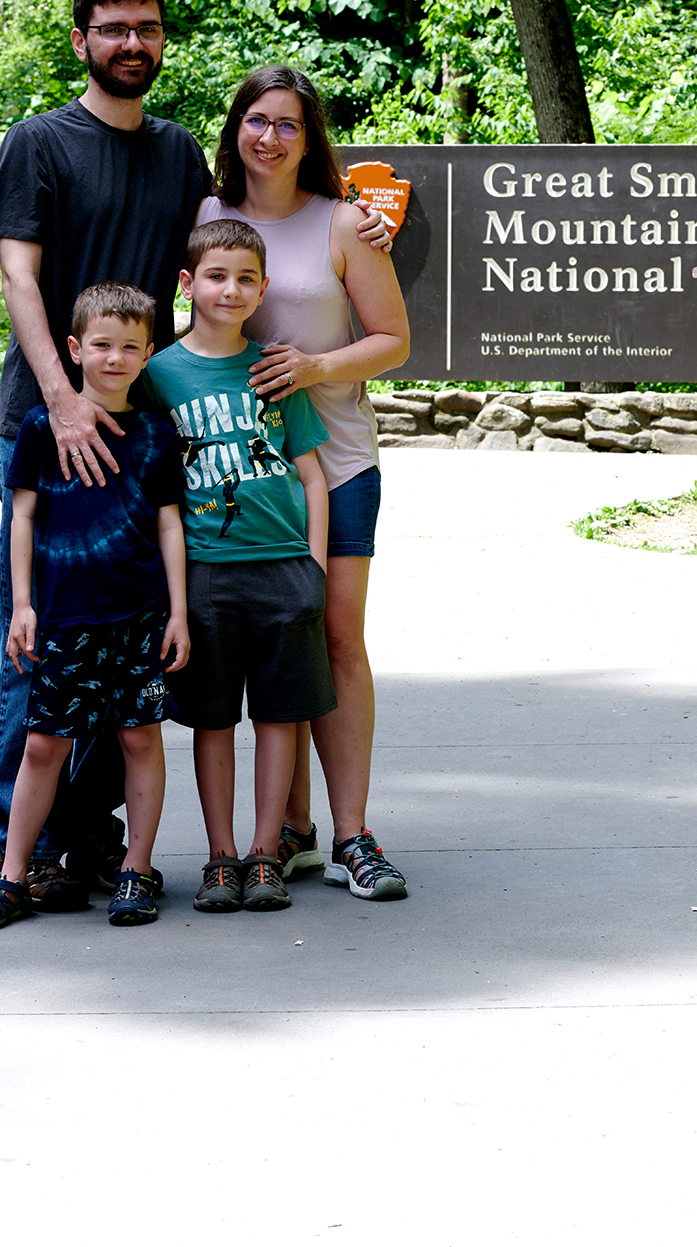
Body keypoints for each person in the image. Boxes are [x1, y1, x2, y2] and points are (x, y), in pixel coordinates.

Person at [0, 0, 212, 906]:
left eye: (147, 28)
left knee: (127, 650)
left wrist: (350, 220)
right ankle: (18, 848)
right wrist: (62, 401)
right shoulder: (39, 144)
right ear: (80, 41)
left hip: (141, 440)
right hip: (48, 429)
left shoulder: (180, 153)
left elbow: (226, 258)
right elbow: (20, 283)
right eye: (113, 28)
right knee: (34, 646)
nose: (131, 43)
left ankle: (95, 846)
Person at [196, 66, 411, 901]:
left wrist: (318, 363)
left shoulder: (347, 224)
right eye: (257, 120)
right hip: (238, 476)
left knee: (336, 636)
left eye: (288, 124)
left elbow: (394, 339)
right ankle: (290, 833)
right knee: (267, 645)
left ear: (308, 138)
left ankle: (354, 834)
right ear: (236, 130)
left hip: (341, 461)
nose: (271, 138)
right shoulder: (209, 217)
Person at [0, 283, 189, 932]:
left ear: (148, 354)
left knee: (141, 740)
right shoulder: (41, 428)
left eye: (129, 347)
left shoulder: (154, 435)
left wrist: (176, 612)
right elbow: (23, 517)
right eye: (102, 345)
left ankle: (135, 872)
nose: (114, 358)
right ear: (74, 349)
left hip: (138, 619)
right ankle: (12, 877)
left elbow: (171, 525)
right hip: (62, 619)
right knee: (42, 747)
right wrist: (23, 606)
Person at [143, 220, 336, 912]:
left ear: (262, 290)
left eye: (247, 278)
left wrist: (313, 568)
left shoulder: (276, 368)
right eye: (217, 276)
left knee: (281, 717)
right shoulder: (158, 375)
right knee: (214, 720)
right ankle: (220, 856)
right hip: (205, 574)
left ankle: (264, 854)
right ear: (188, 284)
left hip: (283, 568)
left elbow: (312, 477)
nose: (232, 289)